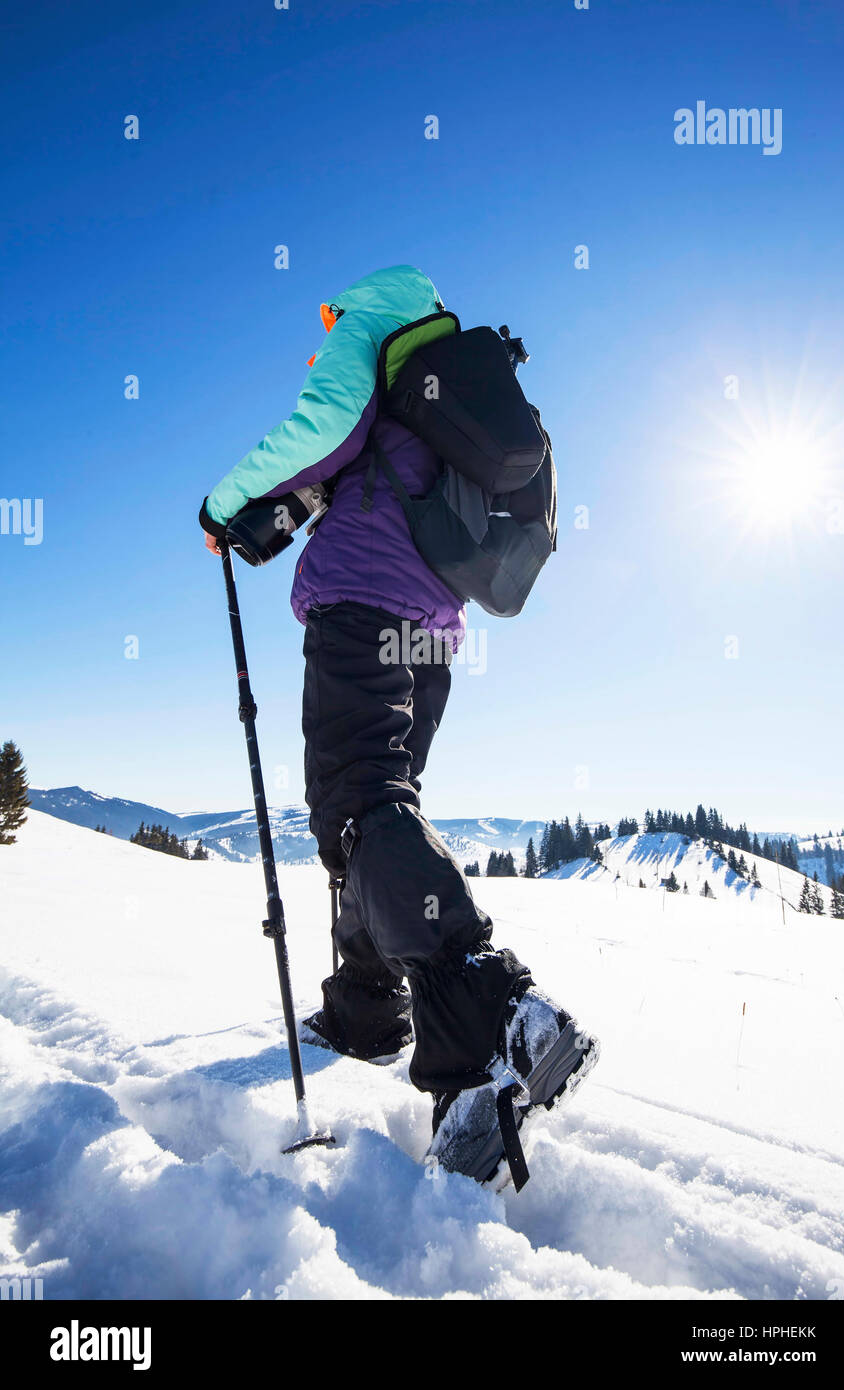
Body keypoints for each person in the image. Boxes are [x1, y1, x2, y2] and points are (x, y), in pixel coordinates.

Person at [200, 265, 598, 1187]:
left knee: (359, 806)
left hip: (362, 609)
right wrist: (285, 514)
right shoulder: (447, 387)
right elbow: (355, 470)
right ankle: (371, 1012)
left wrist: (224, 502)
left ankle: (504, 1012)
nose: (325, 332)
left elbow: (318, 431)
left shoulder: (371, 326)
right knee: (377, 813)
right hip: (432, 634)